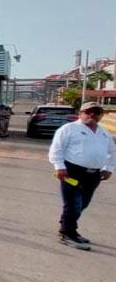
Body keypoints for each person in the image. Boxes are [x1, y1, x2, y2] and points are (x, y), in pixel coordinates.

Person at [48, 101, 114, 250]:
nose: (92, 115)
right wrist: (59, 166)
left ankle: (69, 226)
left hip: (93, 175)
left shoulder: (104, 133)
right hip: (72, 172)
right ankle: (66, 233)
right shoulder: (69, 129)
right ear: (81, 113)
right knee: (73, 204)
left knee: (83, 203)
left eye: (97, 112)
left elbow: (112, 152)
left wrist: (109, 168)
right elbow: (56, 149)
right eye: (88, 112)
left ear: (101, 115)